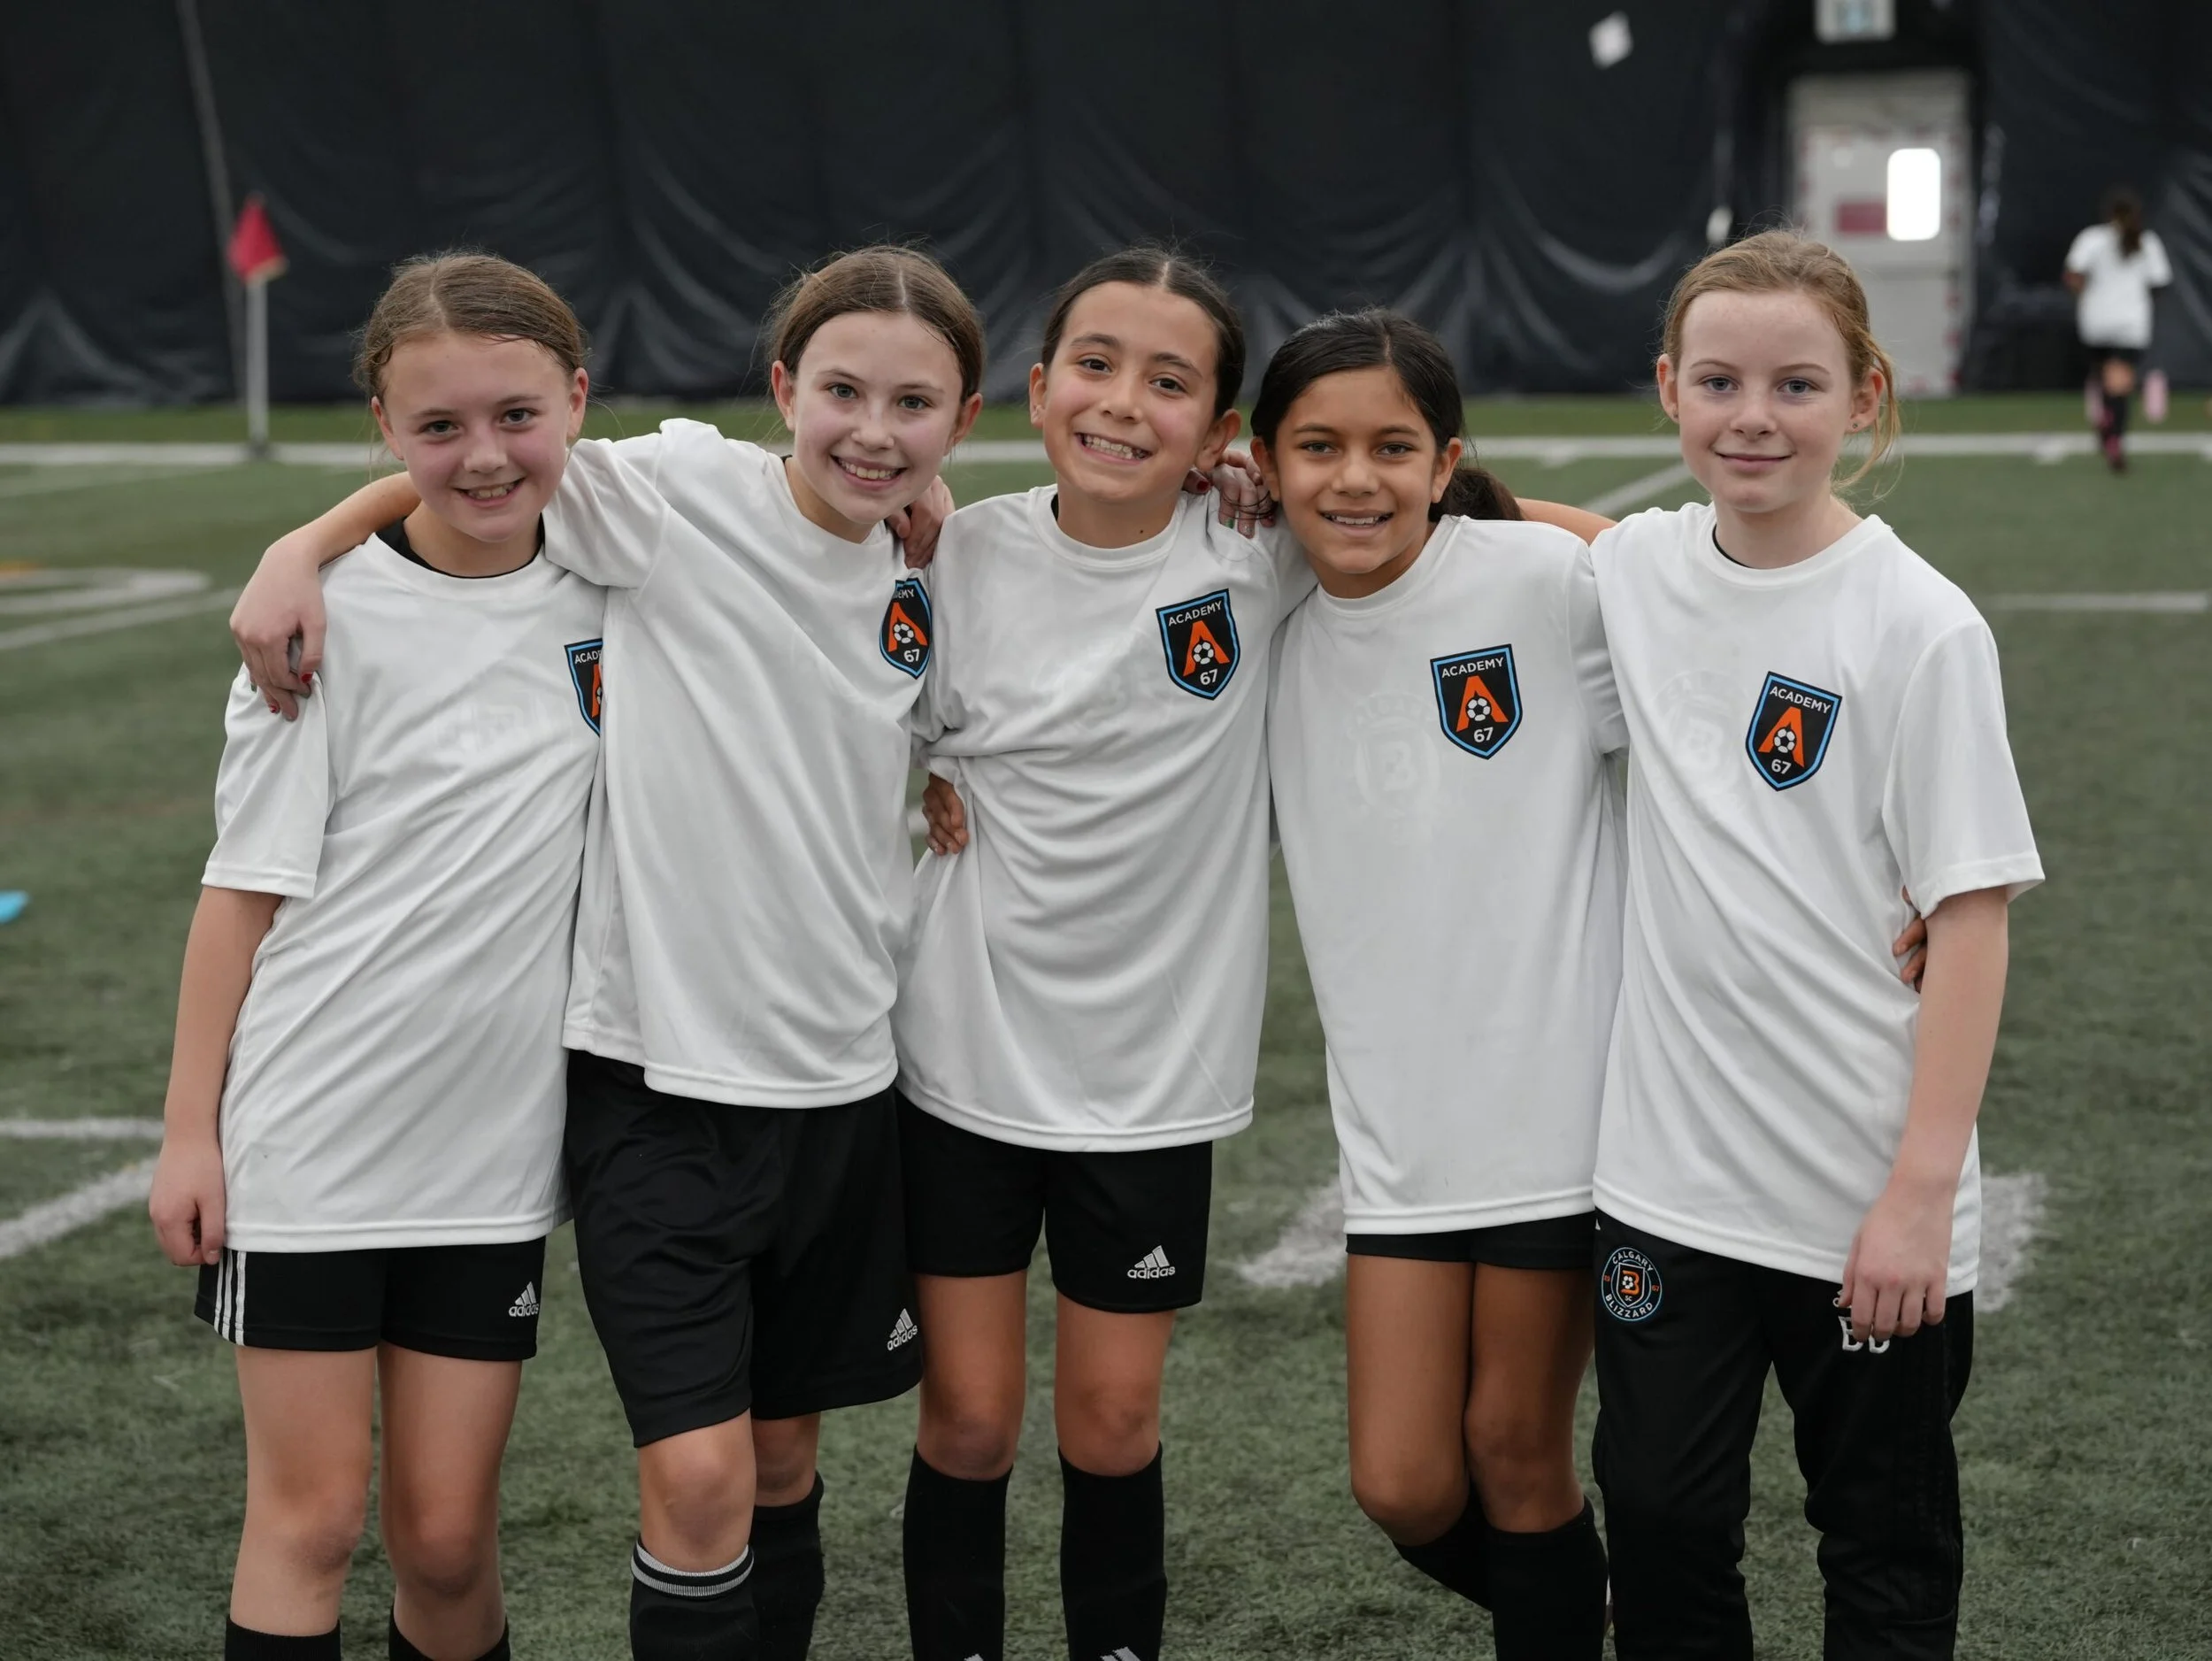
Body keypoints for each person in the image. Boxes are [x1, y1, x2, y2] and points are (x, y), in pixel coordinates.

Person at [227, 246, 987, 1661]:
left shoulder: (936, 562)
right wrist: (301, 545)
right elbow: (489, 453)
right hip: (658, 1082)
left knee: (778, 1471)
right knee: (697, 1478)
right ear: (781, 390)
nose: (873, 429)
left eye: (912, 404)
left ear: (966, 416)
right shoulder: (681, 495)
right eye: (840, 392)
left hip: (845, 1086)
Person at [1580, 229, 2042, 1660]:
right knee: (1654, 1515)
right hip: (1671, 1183)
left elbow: (1969, 915)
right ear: (1668, 389)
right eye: (1718, 380)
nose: (1753, 416)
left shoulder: (1920, 626)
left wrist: (1917, 1193)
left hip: (1864, 1202)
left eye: (1795, 383)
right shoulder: (1642, 570)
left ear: (1866, 397)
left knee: (1884, 1546)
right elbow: (1486, 524)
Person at [148, 253, 603, 1661]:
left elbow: (829, 481)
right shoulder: (319, 625)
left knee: (450, 1536)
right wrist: (188, 1137)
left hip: (493, 1153)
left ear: (578, 402)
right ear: (386, 430)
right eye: (437, 429)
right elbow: (240, 894)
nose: (484, 456)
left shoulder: (624, 574)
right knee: (313, 1521)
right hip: (314, 1141)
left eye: (517, 417)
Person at [893, 246, 1309, 1661]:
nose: (1124, 402)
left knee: (1115, 1417)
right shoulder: (955, 550)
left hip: (1148, 1078)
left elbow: (1482, 524)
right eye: (1096, 364)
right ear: (1036, 386)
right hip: (960, 1058)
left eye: (1170, 381)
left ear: (1220, 434)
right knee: (967, 1418)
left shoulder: (1258, 555)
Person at [1250, 308, 1620, 1658]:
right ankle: (1592, 1609)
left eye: (1393, 447)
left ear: (1445, 454)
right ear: (1263, 463)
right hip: (1399, 1132)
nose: (1356, 478)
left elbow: (1718, 609)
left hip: (1554, 1111)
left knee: (1517, 1446)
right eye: (1319, 448)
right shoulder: (1265, 605)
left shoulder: (1536, 582)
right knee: (1403, 1482)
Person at [2063, 187, 2170, 473]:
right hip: (2130, 324)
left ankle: (2106, 420)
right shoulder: (2147, 242)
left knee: (2104, 378)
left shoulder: (2091, 239)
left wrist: (2087, 293)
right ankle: (2115, 436)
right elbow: (2159, 283)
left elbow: (2073, 276)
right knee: (2119, 386)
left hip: (2095, 322)